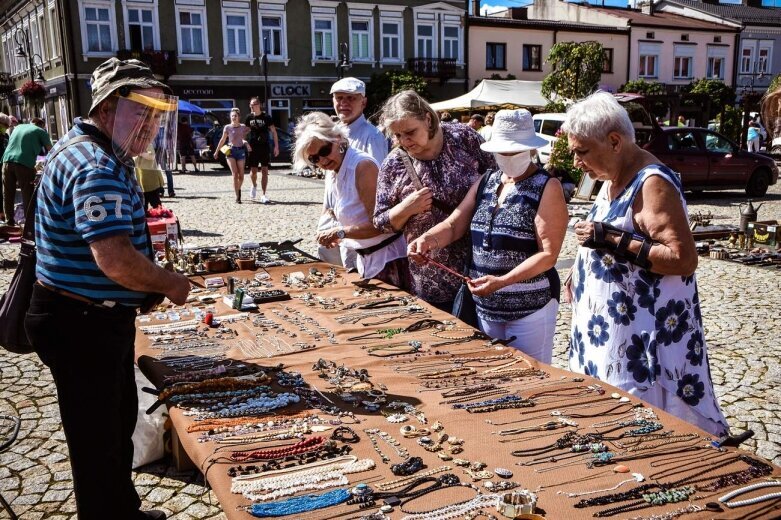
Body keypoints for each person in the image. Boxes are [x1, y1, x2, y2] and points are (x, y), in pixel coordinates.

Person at [24, 57, 191, 520]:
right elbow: (115, 260)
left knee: (112, 424)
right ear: (108, 105)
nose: (152, 126)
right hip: (81, 320)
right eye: (143, 111)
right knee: (97, 437)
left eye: (158, 115)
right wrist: (170, 283)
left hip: (84, 314)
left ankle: (120, 510)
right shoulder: (96, 163)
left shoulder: (81, 146)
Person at [564, 92, 728, 436]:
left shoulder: (652, 182)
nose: (577, 163)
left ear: (614, 141)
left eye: (582, 152)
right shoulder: (611, 177)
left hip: (642, 345)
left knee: (649, 434)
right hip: (608, 335)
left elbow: (683, 260)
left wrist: (611, 239)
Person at [408, 110, 567, 362]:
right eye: (502, 152)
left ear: (530, 150)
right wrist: (428, 240)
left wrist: (503, 281)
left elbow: (548, 254)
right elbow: (454, 224)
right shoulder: (488, 180)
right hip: (486, 308)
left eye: (514, 152)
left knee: (531, 376)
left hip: (530, 308)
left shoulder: (547, 186)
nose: (508, 158)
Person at [374, 90, 496, 310]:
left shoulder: (464, 138)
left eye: (410, 132)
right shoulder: (394, 164)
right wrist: (405, 209)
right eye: (397, 135)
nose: (404, 141)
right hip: (431, 276)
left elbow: (498, 181)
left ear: (427, 119)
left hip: (481, 265)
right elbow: (381, 222)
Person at [294, 112, 408, 287]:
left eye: (324, 151)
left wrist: (340, 232)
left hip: (388, 260)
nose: (322, 161)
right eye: (314, 158)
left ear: (338, 138)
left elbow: (381, 224)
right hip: (366, 258)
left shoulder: (362, 166)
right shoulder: (334, 169)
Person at [319, 77, 390, 268]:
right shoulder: (334, 133)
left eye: (350, 98)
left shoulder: (371, 136)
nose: (343, 103)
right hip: (339, 222)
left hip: (361, 230)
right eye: (339, 98)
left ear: (363, 102)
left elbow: (378, 186)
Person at [1, 116, 52, 226]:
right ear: (42, 125)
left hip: (6, 161)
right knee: (27, 192)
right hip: (24, 164)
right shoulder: (41, 131)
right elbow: (52, 151)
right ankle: (30, 224)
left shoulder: (18, 127)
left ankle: (9, 221)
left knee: (8, 193)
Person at [245, 96, 278, 203]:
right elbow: (245, 131)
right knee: (253, 171)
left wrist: (276, 146)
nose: (252, 106)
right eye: (250, 104)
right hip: (253, 147)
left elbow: (273, 131)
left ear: (259, 105)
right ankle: (254, 185)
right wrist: (242, 140)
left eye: (254, 104)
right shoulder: (249, 118)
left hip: (264, 146)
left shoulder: (266, 117)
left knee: (264, 170)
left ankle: (263, 194)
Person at [216, 107, 251, 203]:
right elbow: (222, 140)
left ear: (239, 117)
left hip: (241, 151)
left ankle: (238, 189)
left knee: (242, 176)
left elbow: (247, 134)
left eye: (235, 116)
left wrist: (247, 143)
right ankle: (237, 196)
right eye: (232, 116)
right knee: (235, 174)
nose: (233, 117)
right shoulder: (227, 127)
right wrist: (217, 151)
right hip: (230, 152)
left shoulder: (243, 127)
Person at [134, 143, 165, 210]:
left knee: (156, 204)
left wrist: (140, 153)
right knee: (143, 206)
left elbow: (152, 156)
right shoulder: (134, 145)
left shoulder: (147, 144)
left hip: (151, 180)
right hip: (142, 181)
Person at [0, 113, 10, 222]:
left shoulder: (5, 136)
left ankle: (3, 214)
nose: (6, 128)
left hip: (3, 164)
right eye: (5, 125)